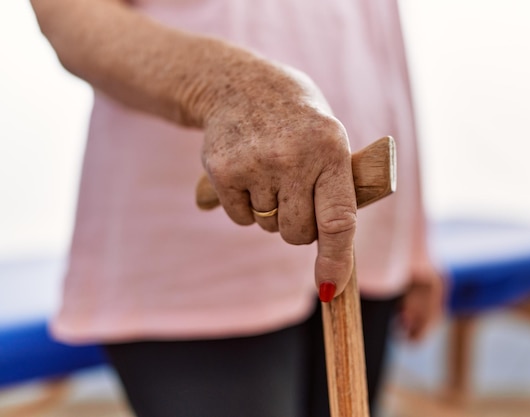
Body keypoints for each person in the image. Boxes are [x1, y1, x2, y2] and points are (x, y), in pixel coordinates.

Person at [30, 0, 443, 416]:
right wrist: (226, 88)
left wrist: (414, 244)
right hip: (192, 251)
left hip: (362, 233)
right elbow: (68, 13)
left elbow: (379, 26)